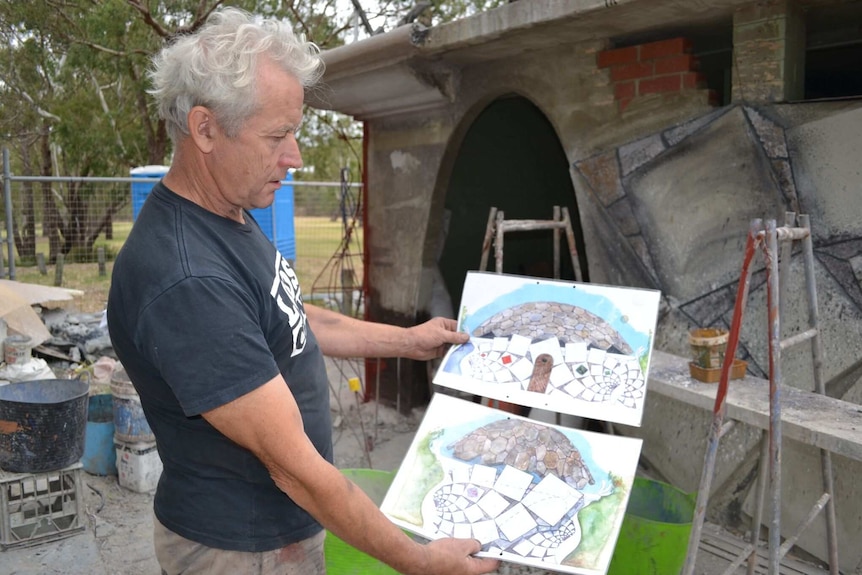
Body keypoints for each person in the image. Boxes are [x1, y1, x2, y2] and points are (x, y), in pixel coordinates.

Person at [106, 7, 500, 575]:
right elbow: (296, 470)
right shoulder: (186, 279)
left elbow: (290, 315)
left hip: (275, 532)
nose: (294, 156)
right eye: (276, 136)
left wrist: (409, 341)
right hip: (243, 550)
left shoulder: (228, 213)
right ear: (205, 129)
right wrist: (420, 561)